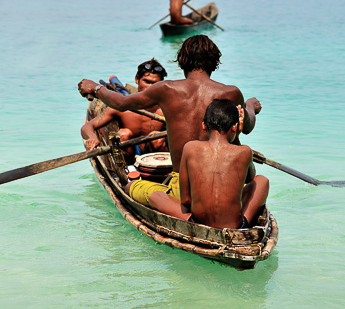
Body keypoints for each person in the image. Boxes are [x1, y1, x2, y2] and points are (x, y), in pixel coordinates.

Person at [78, 34, 262, 207]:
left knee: (130, 188)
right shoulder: (231, 93)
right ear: (215, 63)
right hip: (225, 183)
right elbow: (246, 127)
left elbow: (121, 102)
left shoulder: (166, 89)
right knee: (257, 185)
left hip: (182, 190)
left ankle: (178, 211)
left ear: (182, 61)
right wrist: (250, 107)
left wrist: (95, 88)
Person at [149, 99, 269, 229]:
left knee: (156, 196)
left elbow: (185, 201)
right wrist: (237, 137)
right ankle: (245, 221)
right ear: (234, 127)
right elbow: (250, 180)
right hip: (235, 226)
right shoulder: (245, 151)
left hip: (197, 222)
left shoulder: (190, 148)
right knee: (262, 180)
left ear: (203, 125)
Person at [81, 58, 168, 163]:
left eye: (155, 84)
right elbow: (88, 126)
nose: (150, 87)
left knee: (155, 136)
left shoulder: (165, 110)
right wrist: (92, 137)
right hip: (129, 158)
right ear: (137, 79)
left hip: (157, 159)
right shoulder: (122, 106)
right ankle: (129, 171)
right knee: (123, 134)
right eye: (147, 81)